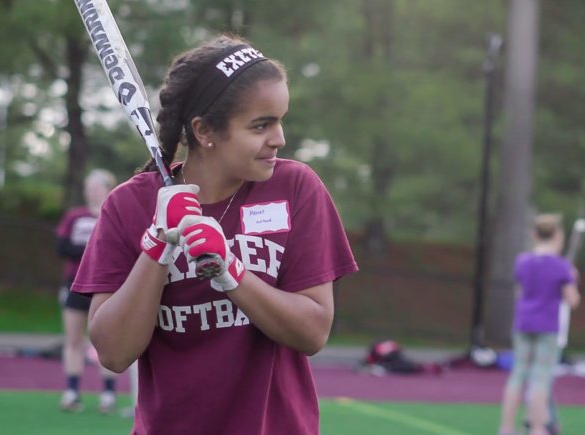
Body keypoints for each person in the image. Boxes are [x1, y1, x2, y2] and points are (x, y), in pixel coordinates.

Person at [71, 34, 358, 434]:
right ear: (205, 130)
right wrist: (157, 245)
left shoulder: (295, 188)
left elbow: (313, 332)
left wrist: (232, 273)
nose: (279, 139)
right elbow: (114, 353)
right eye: (261, 125)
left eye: (280, 120)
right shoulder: (129, 205)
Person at [499, 215, 580, 435]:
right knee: (540, 378)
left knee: (518, 373)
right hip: (547, 325)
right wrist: (572, 278)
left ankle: (506, 428)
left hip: (523, 322)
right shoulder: (561, 266)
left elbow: (524, 286)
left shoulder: (522, 261)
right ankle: (537, 428)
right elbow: (572, 300)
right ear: (558, 236)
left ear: (535, 235)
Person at [55, 169, 119, 413]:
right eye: (87, 187)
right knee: (73, 339)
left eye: (95, 186)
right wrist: (90, 253)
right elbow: (62, 247)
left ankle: (108, 395)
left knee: (105, 339)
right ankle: (72, 392)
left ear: (107, 188)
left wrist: (93, 255)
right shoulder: (75, 216)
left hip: (105, 285)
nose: (90, 191)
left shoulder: (113, 214)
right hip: (74, 284)